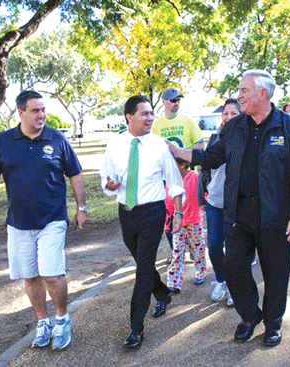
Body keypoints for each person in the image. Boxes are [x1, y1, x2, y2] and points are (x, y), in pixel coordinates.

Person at [169, 70, 290, 347]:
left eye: (244, 90)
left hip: (276, 217)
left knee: (276, 274)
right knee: (233, 266)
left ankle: (273, 323)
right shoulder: (234, 128)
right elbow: (210, 156)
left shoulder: (289, 127)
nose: (239, 95)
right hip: (238, 215)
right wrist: (177, 152)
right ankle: (250, 315)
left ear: (263, 93)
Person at [0, 90, 87, 350]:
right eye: (35, 110)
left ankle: (62, 318)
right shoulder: (4, 141)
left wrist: (81, 207)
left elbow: (75, 174)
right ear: (21, 113)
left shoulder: (57, 139)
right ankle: (42, 321)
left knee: (52, 274)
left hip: (52, 219)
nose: (41, 115)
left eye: (43, 110)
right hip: (18, 222)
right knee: (30, 277)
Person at [100, 94, 185, 350]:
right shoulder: (114, 144)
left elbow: (174, 181)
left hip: (153, 213)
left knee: (143, 268)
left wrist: (178, 213)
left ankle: (136, 328)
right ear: (129, 116)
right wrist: (109, 184)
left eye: (151, 113)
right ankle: (162, 293)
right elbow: (106, 176)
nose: (150, 118)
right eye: (144, 113)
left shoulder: (159, 145)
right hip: (126, 211)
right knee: (143, 262)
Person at [151, 88, 204, 257]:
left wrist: (181, 153)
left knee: (189, 211)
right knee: (169, 212)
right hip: (166, 177)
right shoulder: (157, 124)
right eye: (173, 100)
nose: (176, 103)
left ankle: (192, 246)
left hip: (186, 175)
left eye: (178, 100)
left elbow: (200, 145)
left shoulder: (187, 121)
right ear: (164, 101)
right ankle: (177, 249)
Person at [202, 98, 241, 307]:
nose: (228, 117)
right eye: (225, 113)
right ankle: (220, 279)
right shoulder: (215, 137)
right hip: (215, 201)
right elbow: (205, 167)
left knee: (235, 248)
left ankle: (235, 286)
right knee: (214, 245)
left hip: (238, 204)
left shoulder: (247, 137)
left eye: (233, 113)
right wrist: (203, 195)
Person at [164, 158, 207, 294]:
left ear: (183, 165)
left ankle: (201, 272)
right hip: (178, 224)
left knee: (198, 250)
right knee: (177, 252)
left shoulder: (194, 177)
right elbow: (168, 202)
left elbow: (203, 193)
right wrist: (167, 222)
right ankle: (174, 282)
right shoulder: (170, 182)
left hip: (194, 222)